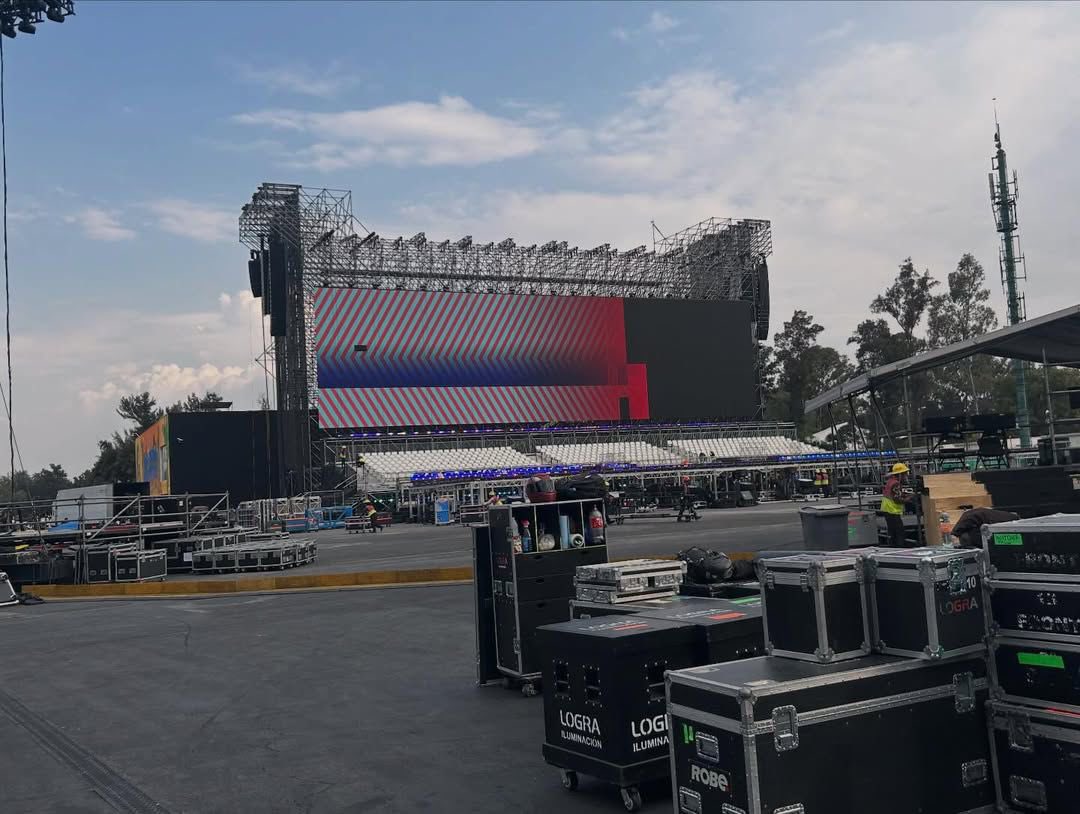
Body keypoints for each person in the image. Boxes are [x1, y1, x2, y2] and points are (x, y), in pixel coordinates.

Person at [882, 463, 915, 547]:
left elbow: (895, 494)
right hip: (892, 510)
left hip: (888, 510)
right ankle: (899, 548)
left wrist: (905, 494)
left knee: (893, 532)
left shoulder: (891, 481)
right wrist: (909, 498)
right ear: (900, 474)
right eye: (905, 474)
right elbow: (897, 499)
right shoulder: (896, 483)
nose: (906, 476)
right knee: (899, 532)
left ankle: (893, 547)